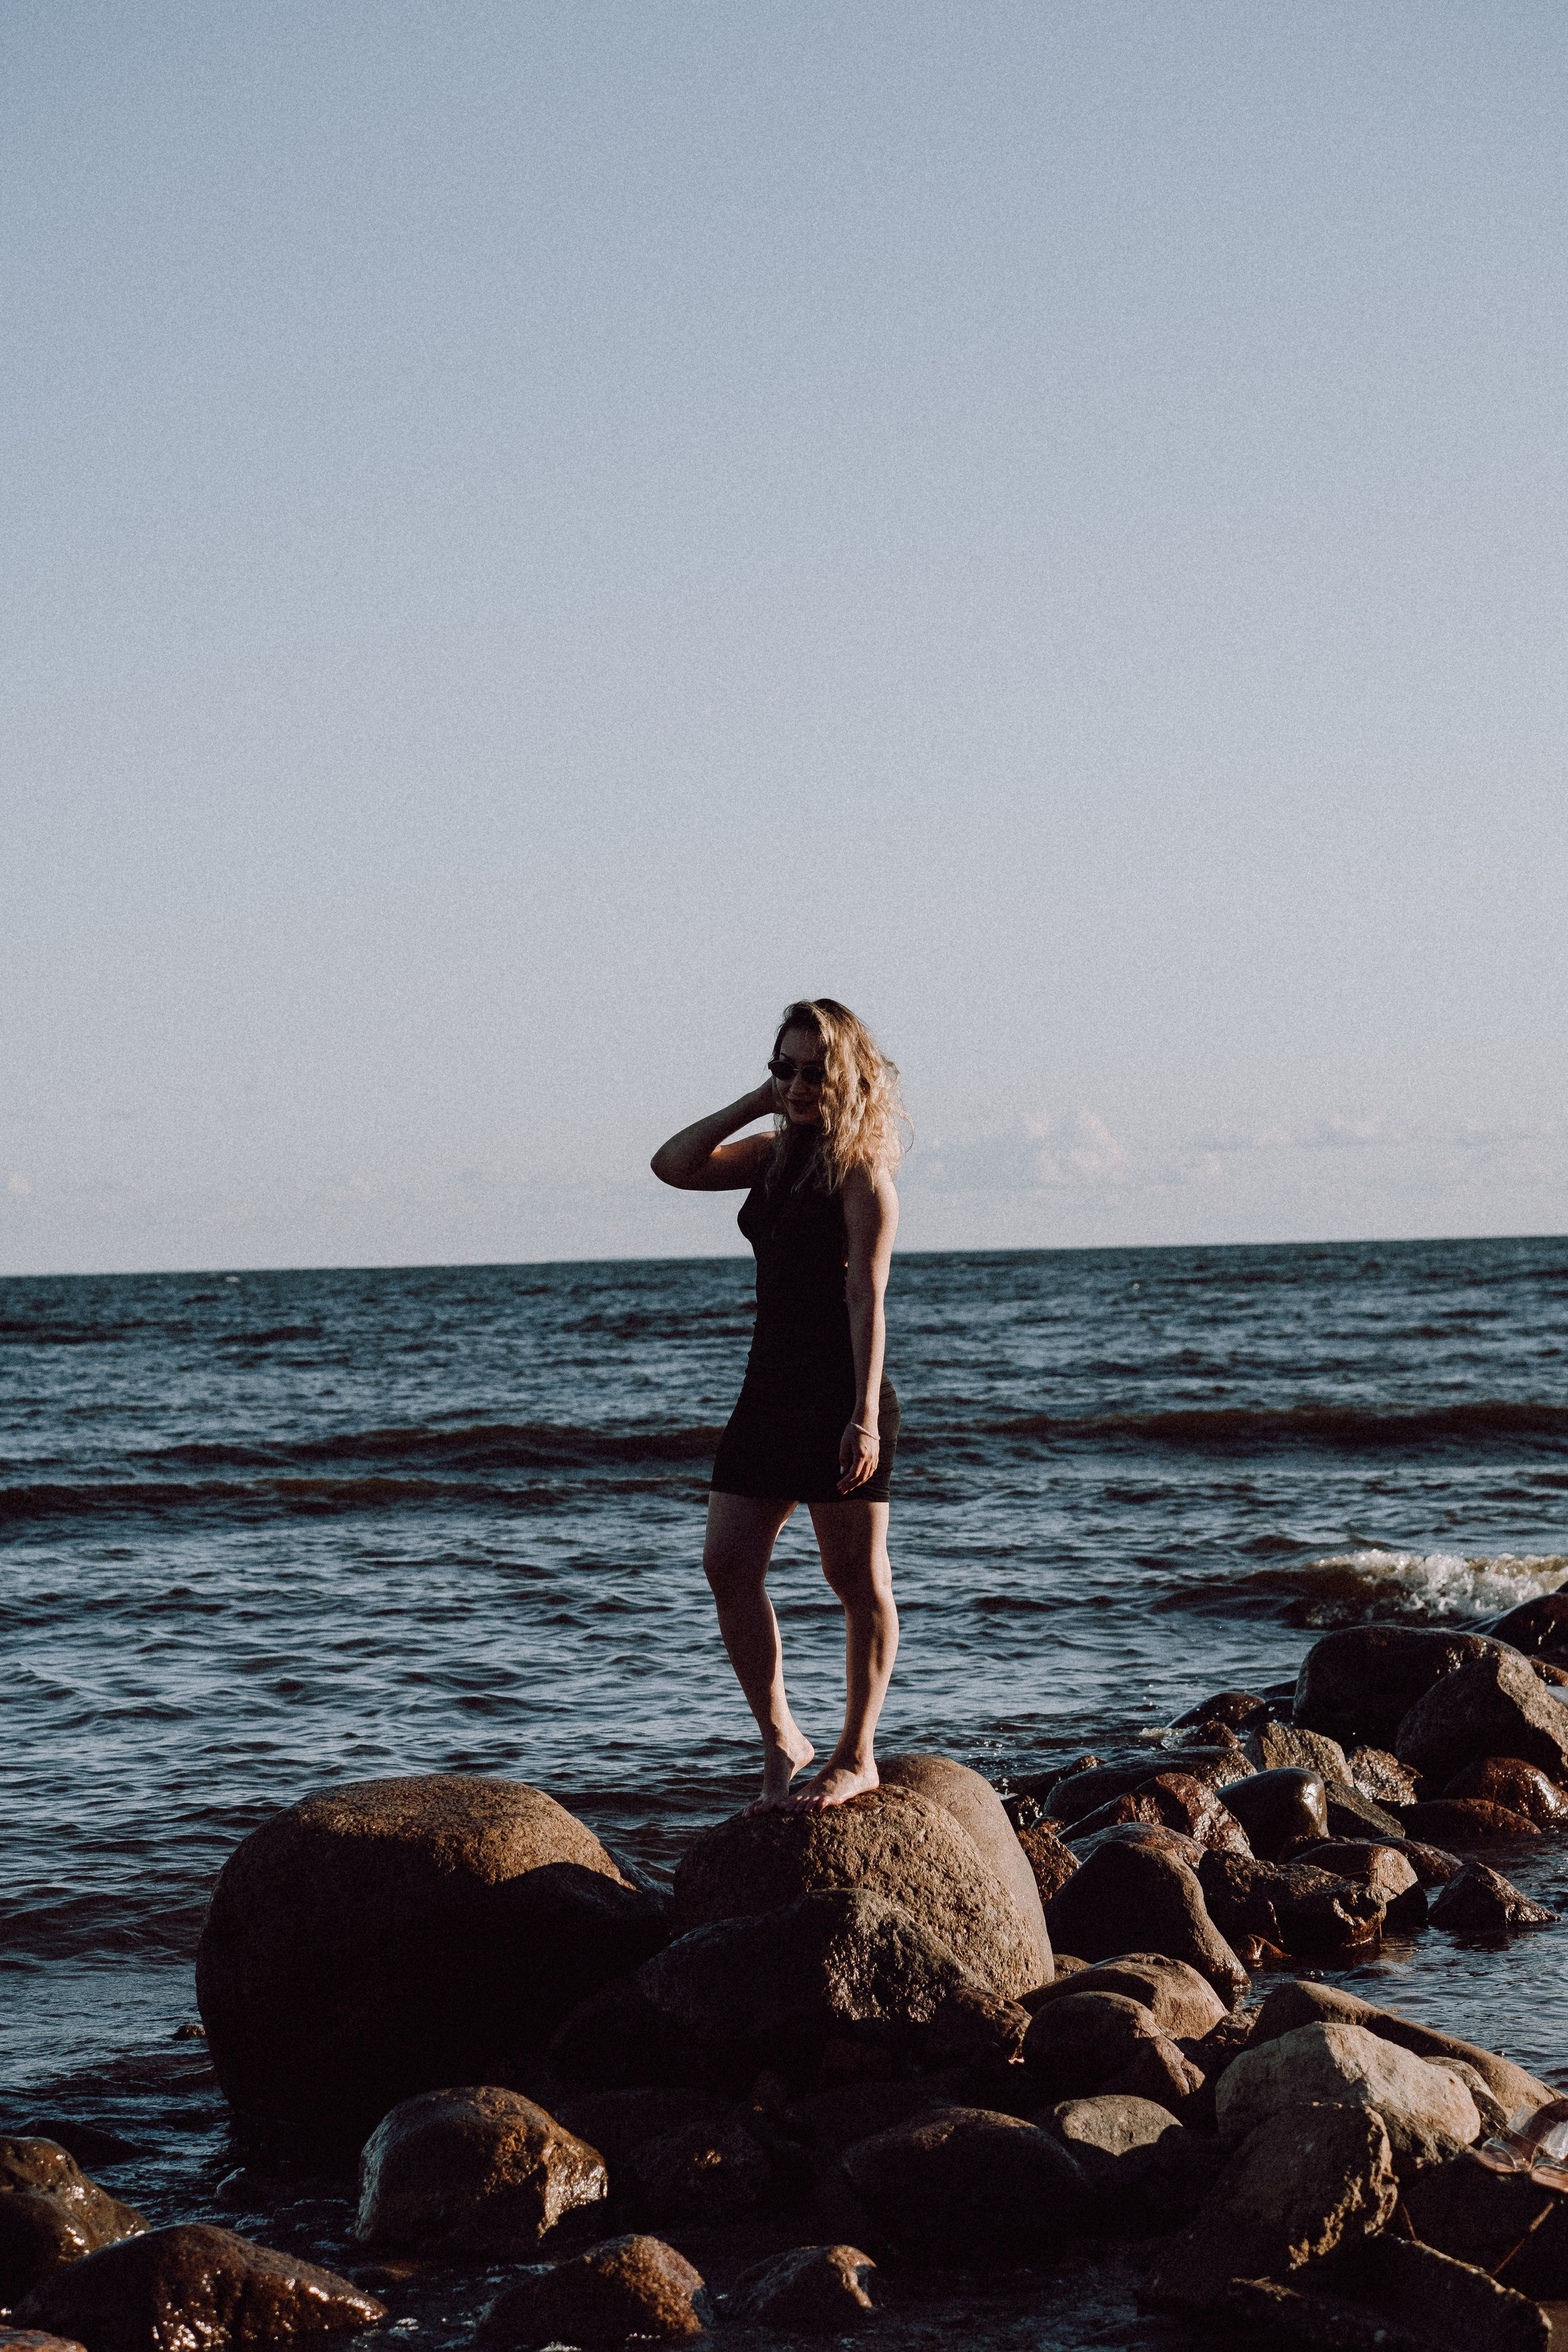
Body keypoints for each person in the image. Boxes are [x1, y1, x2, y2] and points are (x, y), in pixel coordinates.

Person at [650, 998, 908, 1810]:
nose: (797, 1085)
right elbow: (674, 1163)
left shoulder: (863, 1171)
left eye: (813, 1070)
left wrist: (862, 1414)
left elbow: (867, 1298)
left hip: (839, 1392)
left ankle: (857, 1753)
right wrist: (755, 1101)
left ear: (849, 1075)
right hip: (767, 1390)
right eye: (784, 1068)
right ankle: (781, 1736)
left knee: (855, 1580)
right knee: (727, 1567)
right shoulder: (770, 1157)